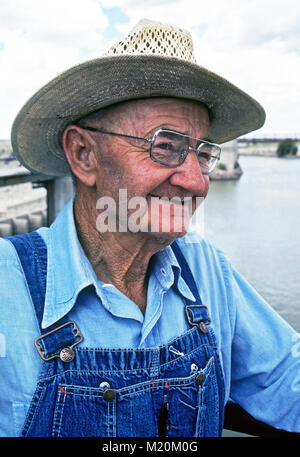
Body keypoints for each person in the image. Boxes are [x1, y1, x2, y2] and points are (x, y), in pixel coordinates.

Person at [0, 18, 299, 438]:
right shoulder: (6, 287)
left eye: (203, 153)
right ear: (84, 155)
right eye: (165, 146)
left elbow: (287, 378)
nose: (197, 182)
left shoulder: (205, 267)